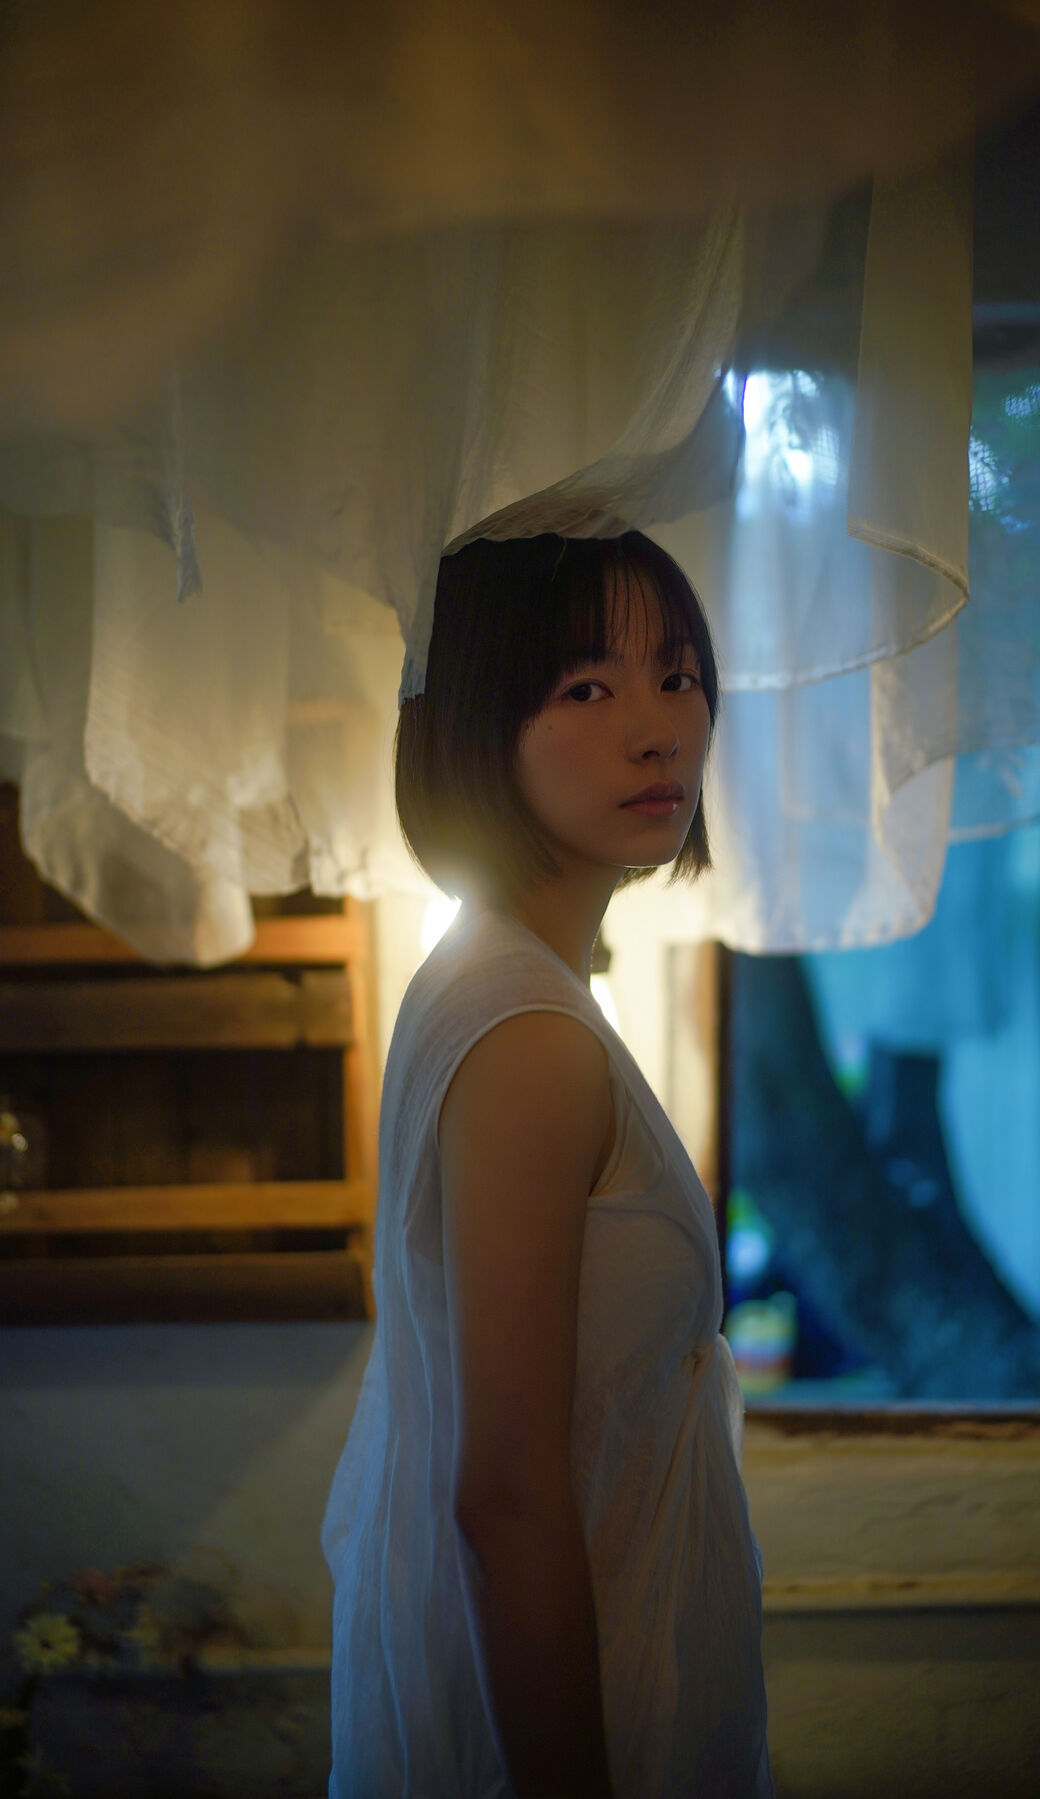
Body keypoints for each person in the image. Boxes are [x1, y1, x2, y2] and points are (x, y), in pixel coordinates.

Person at [322, 530, 773, 1798]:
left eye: (676, 675)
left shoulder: (500, 982)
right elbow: (506, 1495)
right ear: (478, 726)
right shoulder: (527, 1033)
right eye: (586, 686)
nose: (656, 729)